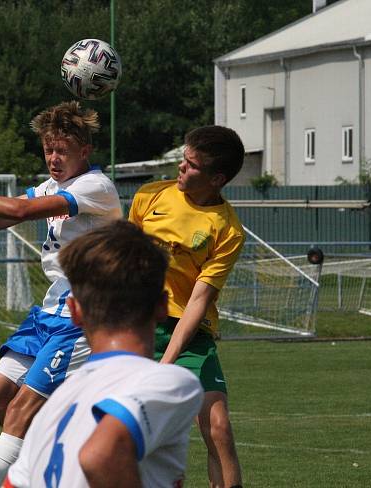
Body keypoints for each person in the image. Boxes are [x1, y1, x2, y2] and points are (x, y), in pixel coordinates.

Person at [0, 101, 122, 488]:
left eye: (62, 150)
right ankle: (65, 461)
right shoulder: (50, 185)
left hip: (85, 313)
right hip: (51, 310)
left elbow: (17, 211)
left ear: (84, 151)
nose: (53, 157)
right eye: (48, 149)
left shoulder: (96, 187)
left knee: (18, 411)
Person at [6, 220, 204, 487]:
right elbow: (100, 455)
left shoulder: (53, 405)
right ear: (162, 306)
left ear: (74, 311)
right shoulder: (171, 383)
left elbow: (13, 484)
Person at [128, 125, 246, 488]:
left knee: (218, 429)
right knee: (128, 434)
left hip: (189, 334)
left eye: (192, 165)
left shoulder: (227, 230)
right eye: (184, 158)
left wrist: (167, 361)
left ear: (217, 178)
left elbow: (198, 300)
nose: (181, 167)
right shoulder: (149, 196)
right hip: (137, 328)